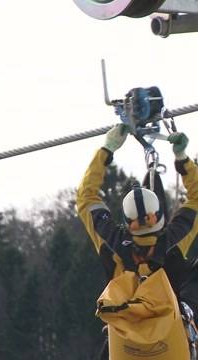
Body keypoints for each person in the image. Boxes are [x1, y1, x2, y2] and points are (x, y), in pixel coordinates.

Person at [77, 124, 198, 359]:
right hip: (173, 338)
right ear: (159, 218)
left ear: (127, 221)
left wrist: (107, 149)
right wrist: (182, 159)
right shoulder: (173, 239)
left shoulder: (111, 241)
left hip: (124, 343)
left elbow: (85, 197)